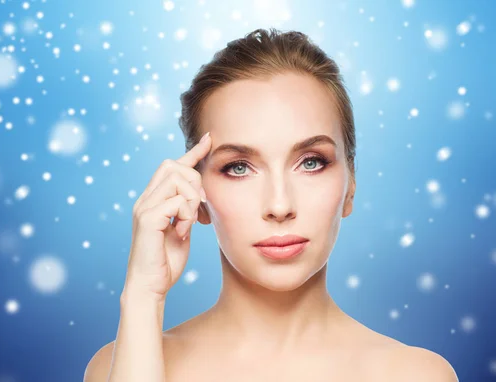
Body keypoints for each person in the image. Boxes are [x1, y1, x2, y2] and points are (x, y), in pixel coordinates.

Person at [83, 28, 458, 382]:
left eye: (311, 162)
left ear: (350, 185)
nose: (279, 206)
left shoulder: (416, 374)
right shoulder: (125, 363)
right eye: (239, 167)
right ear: (195, 195)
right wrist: (143, 296)